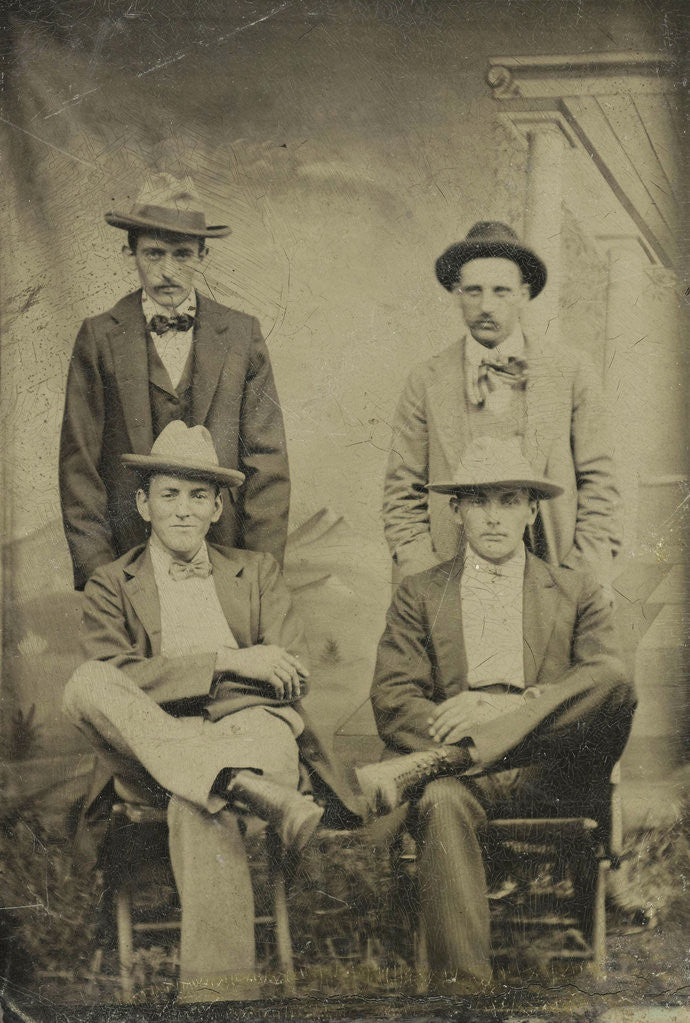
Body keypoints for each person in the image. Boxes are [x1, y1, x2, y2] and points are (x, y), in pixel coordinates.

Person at [63, 421, 364, 1001]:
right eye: (169, 494)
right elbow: (115, 679)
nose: (183, 510)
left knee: (196, 800)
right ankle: (227, 780)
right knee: (86, 683)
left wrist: (206, 700)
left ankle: (217, 1006)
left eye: (198, 495)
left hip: (249, 735)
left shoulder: (257, 574)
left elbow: (290, 675)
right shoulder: (111, 584)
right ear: (143, 504)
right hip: (154, 753)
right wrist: (232, 660)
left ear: (218, 505)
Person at [359, 436, 636, 992]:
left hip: (554, 773)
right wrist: (469, 750)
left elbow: (604, 690)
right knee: (438, 798)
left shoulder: (576, 590)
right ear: (456, 511)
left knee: (615, 676)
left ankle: (480, 743)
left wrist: (505, 711)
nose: (494, 517)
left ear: (532, 510)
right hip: (463, 776)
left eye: (509, 500)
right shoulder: (420, 593)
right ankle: (462, 992)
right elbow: (394, 700)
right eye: (479, 501)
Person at [60, 173, 290, 591]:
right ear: (130, 251)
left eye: (182, 254)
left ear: (203, 254)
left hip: (226, 566)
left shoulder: (242, 335)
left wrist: (259, 578)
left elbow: (267, 465)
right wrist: (104, 579)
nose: (167, 271)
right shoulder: (98, 337)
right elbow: (79, 469)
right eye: (153, 253)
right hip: (126, 567)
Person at [383, 222, 620, 590]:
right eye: (473, 291)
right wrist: (427, 583)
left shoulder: (572, 372)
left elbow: (600, 485)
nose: (486, 306)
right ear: (457, 294)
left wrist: (574, 581)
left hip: (553, 577)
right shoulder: (426, 379)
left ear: (524, 295)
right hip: (452, 582)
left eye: (501, 291)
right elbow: (402, 492)